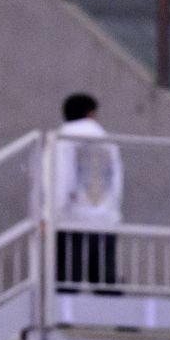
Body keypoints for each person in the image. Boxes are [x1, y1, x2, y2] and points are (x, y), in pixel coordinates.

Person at [54, 93, 123, 287]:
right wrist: (113, 212)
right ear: (91, 113)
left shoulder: (62, 140)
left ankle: (63, 316)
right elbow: (115, 180)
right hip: (105, 219)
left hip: (72, 219)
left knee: (67, 280)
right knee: (104, 281)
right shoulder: (108, 142)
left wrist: (52, 214)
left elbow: (62, 180)